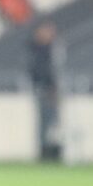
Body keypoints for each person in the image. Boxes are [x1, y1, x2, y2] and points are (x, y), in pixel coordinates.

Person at [27, 21, 61, 161]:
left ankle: (50, 150)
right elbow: (42, 71)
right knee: (46, 121)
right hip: (44, 89)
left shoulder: (50, 48)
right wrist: (50, 86)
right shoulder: (39, 50)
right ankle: (45, 151)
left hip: (48, 89)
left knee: (51, 122)